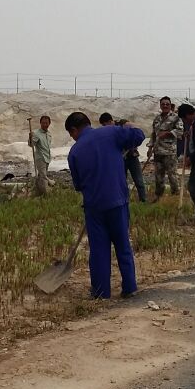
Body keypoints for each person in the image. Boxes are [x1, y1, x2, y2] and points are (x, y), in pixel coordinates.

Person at [65, 111, 146, 299]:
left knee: (99, 250)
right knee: (123, 245)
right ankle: (130, 287)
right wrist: (129, 125)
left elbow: (78, 185)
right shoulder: (111, 132)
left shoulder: (74, 152)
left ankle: (101, 292)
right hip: (118, 202)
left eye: (71, 134)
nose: (72, 138)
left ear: (74, 130)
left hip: (94, 207)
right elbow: (139, 136)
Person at [149, 96, 183, 200]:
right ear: (160, 105)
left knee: (172, 175)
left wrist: (168, 133)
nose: (165, 106)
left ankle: (175, 196)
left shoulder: (176, 118)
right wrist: (150, 148)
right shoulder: (157, 118)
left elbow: (180, 131)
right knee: (158, 176)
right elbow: (153, 134)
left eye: (167, 104)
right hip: (158, 152)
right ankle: (158, 196)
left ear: (170, 105)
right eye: (163, 104)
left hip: (169, 152)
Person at [116, 118, 148, 203]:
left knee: (139, 180)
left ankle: (143, 200)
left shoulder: (133, 133)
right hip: (121, 159)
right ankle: (124, 199)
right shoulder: (118, 134)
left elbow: (140, 137)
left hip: (133, 158)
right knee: (122, 181)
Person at [28, 115, 52, 195]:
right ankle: (46, 194)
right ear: (40, 123)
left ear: (49, 123)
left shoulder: (49, 134)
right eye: (43, 123)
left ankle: (38, 191)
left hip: (47, 157)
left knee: (41, 176)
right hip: (40, 158)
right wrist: (30, 138)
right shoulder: (36, 133)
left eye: (46, 123)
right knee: (44, 177)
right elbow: (31, 145)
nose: (45, 125)